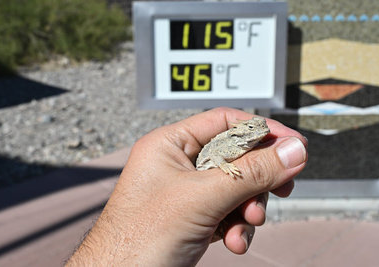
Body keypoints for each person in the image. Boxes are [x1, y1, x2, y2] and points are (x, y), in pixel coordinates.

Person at [66, 107, 308, 266]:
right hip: (205, 167)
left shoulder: (244, 141)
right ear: (244, 133)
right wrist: (227, 167)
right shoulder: (232, 143)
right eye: (254, 128)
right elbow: (218, 156)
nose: (263, 131)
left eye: (260, 127)